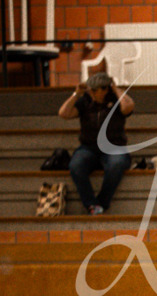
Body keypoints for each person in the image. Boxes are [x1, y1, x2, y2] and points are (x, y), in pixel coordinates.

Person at [57, 72, 135, 215]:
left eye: (94, 90)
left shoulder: (116, 100)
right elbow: (63, 113)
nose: (91, 92)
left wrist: (116, 89)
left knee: (117, 164)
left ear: (105, 89)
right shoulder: (85, 101)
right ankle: (91, 204)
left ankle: (101, 203)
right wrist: (76, 94)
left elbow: (128, 107)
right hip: (89, 147)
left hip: (114, 146)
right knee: (76, 165)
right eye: (90, 89)